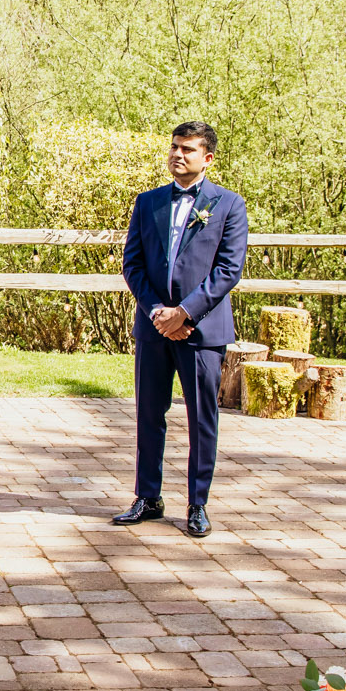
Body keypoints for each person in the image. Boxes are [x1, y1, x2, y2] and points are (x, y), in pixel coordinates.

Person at [115, 121, 247, 539]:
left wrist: (185, 314)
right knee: (149, 414)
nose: (178, 155)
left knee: (201, 418)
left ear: (207, 158)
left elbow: (228, 270)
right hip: (154, 329)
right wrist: (158, 311)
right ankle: (147, 497)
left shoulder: (229, 205)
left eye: (188, 150)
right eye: (174, 147)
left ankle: (198, 503)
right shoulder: (148, 203)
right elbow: (132, 264)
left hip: (202, 332)